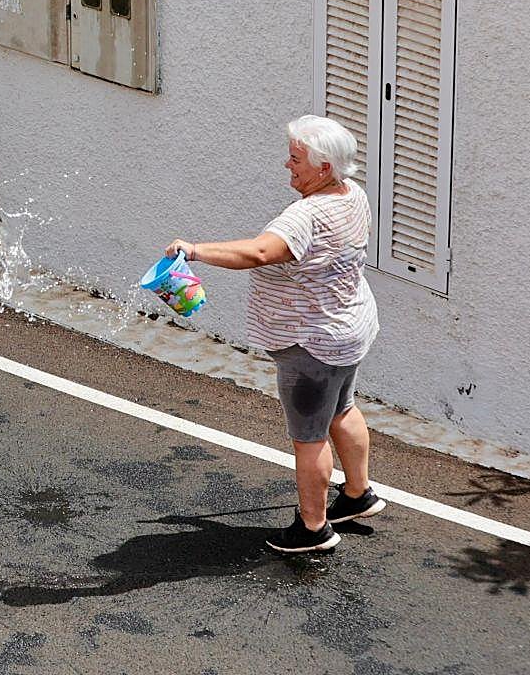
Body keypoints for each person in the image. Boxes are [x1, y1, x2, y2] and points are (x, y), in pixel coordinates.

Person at [164, 115, 387, 555]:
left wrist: (195, 251)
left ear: (324, 167)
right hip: (350, 328)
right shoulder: (352, 194)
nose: (288, 164)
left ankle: (313, 529)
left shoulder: (307, 215)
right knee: (342, 408)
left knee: (310, 437)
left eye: (296, 159)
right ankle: (358, 494)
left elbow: (261, 252)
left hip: (311, 344)